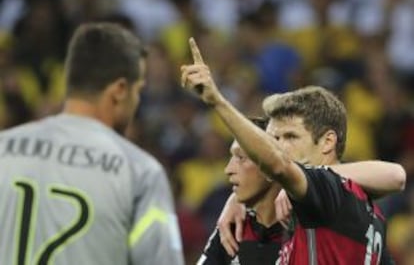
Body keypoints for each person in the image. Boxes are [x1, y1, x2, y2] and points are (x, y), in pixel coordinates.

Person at [180, 38, 405, 264]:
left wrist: (217, 101)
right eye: (274, 138)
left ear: (327, 142)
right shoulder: (364, 207)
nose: (278, 146)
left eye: (290, 137)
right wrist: (239, 198)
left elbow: (397, 176)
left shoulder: (326, 192)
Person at [0, 23, 184, 265]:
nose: (137, 101)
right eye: (137, 90)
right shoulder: (139, 171)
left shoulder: (5, 146)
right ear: (119, 90)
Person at [197, 117, 290, 265]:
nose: (228, 170)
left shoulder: (305, 231)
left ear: (272, 165)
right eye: (231, 157)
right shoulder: (232, 227)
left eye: (241, 158)